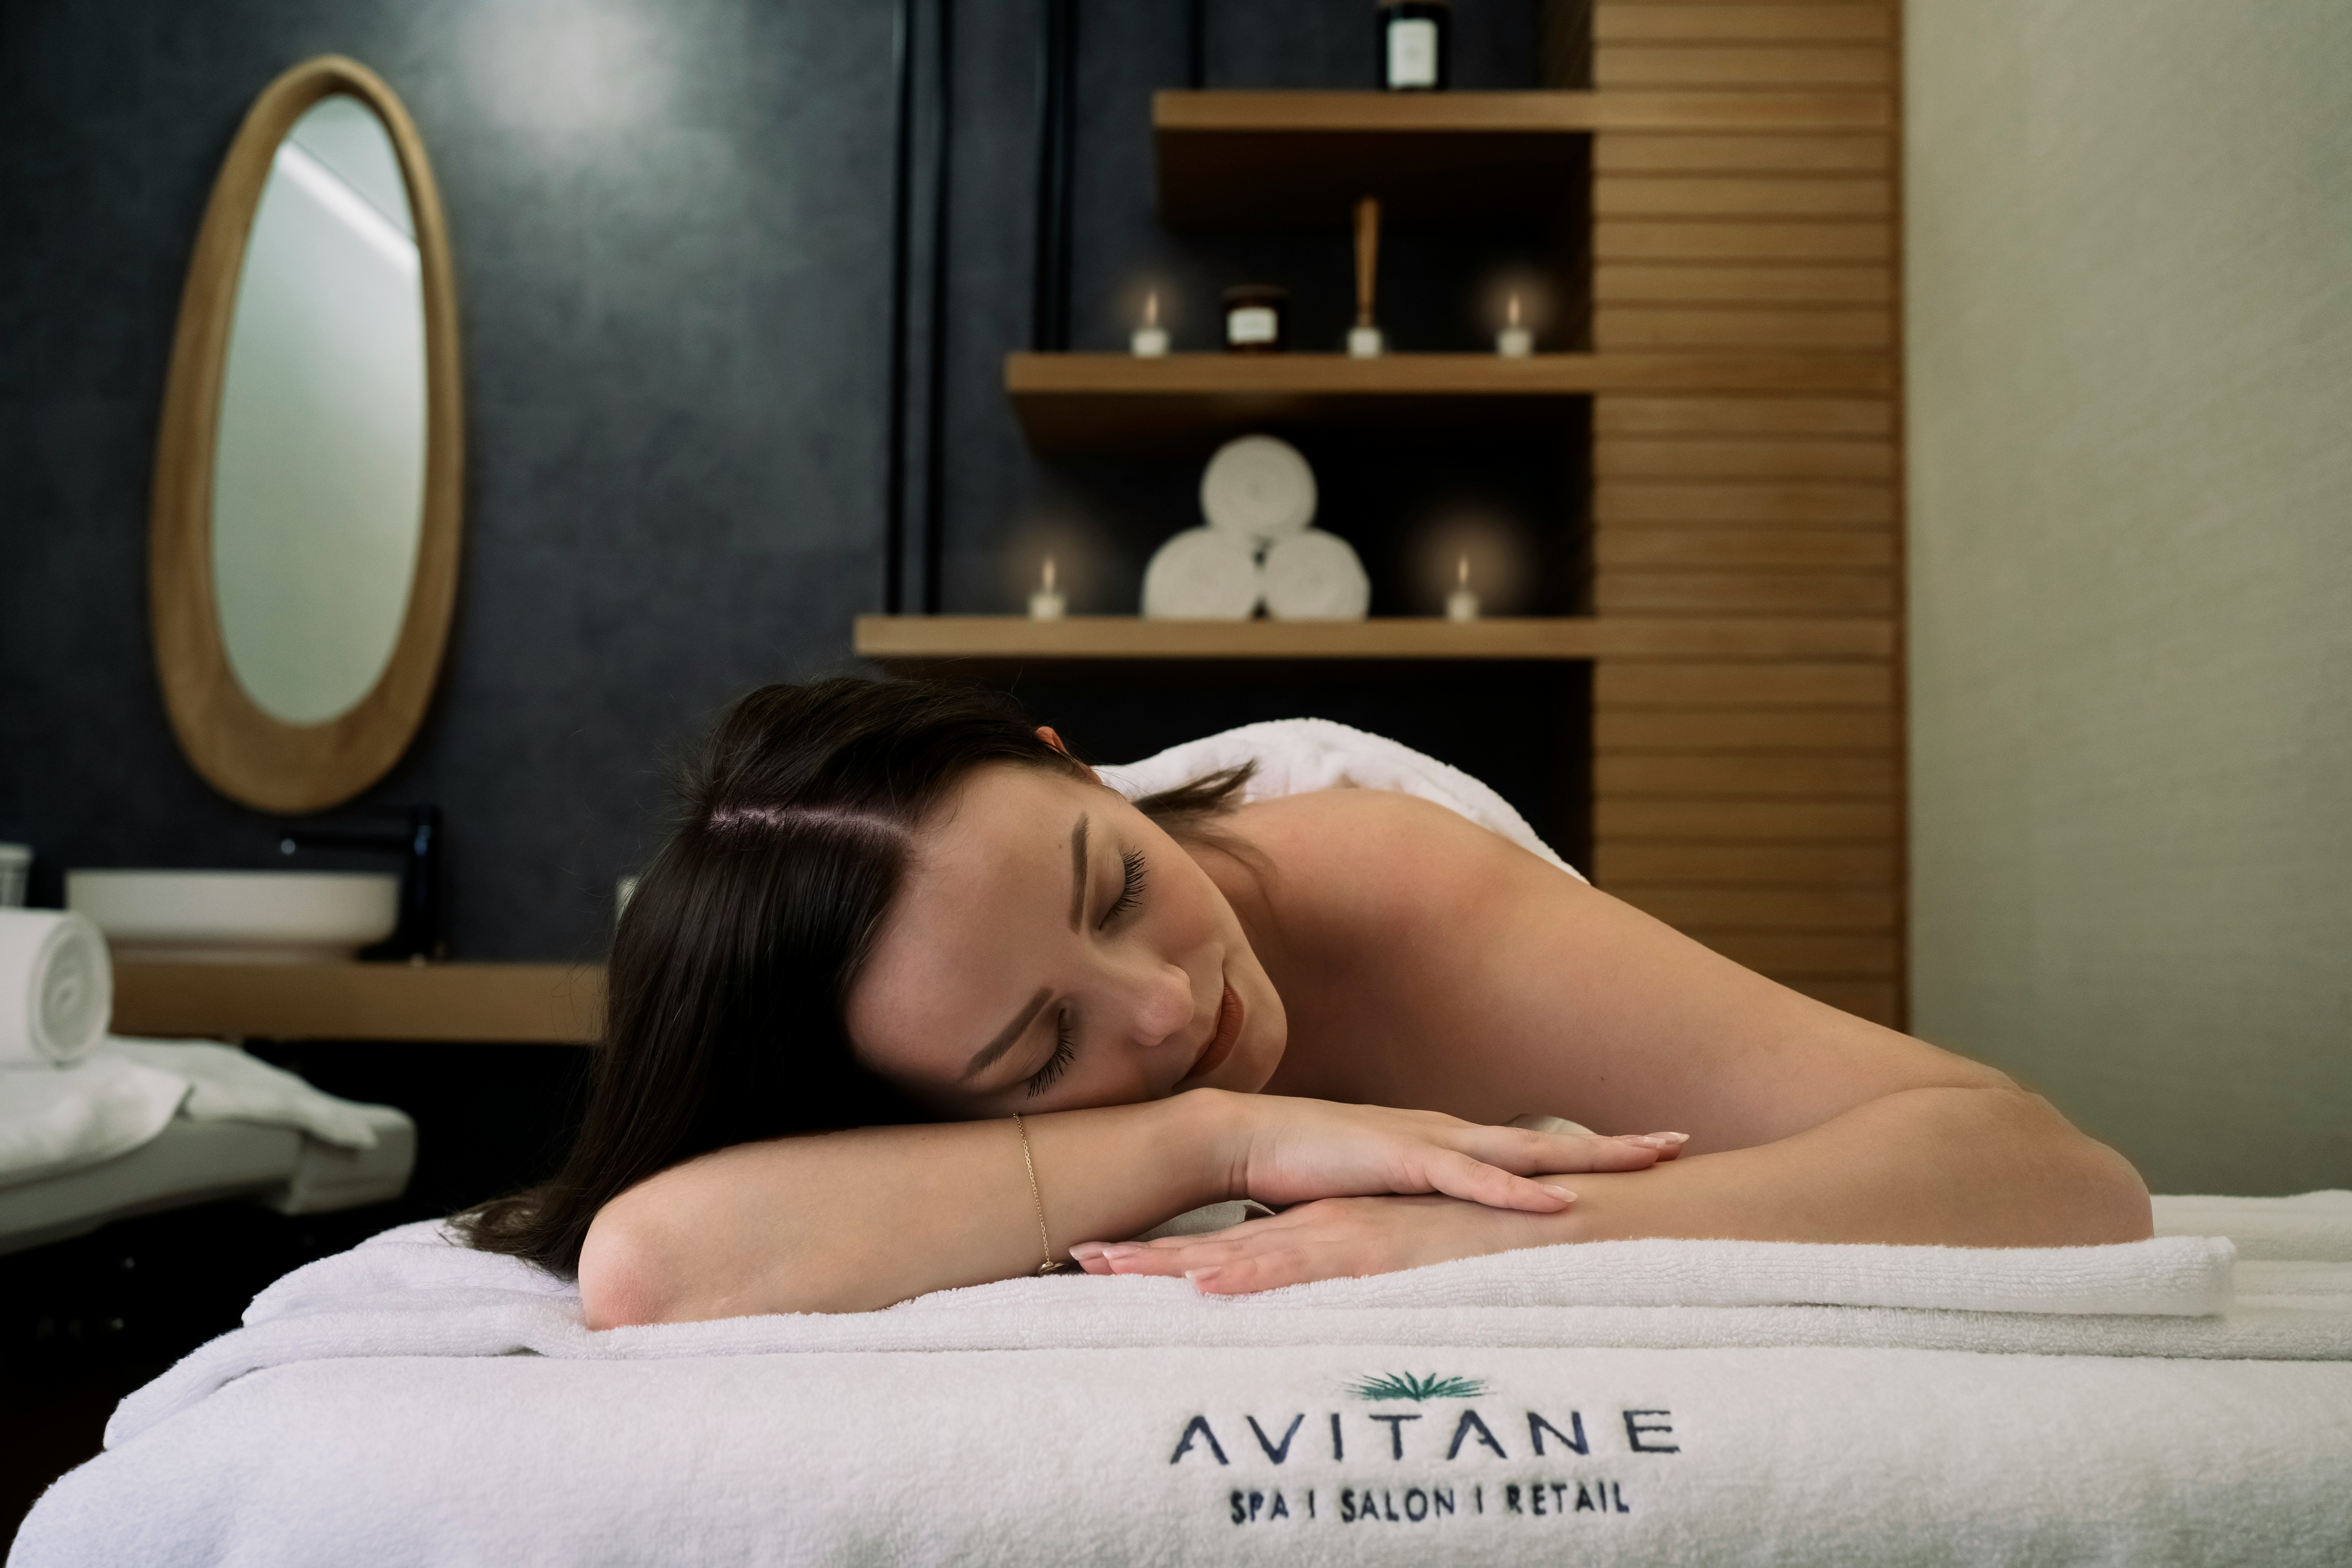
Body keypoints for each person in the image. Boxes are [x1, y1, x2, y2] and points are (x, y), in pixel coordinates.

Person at [458, 679, 2150, 1326]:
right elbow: (651, 1265)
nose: (1160, 1005)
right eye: (1040, 1050)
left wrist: (1482, 1229)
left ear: (1084, 772)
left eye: (1117, 885)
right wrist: (1221, 1136)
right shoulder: (905, 1047)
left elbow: (2053, 1174)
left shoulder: (1390, 888)